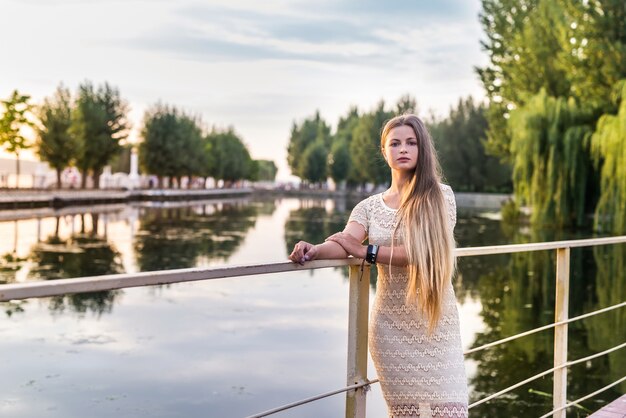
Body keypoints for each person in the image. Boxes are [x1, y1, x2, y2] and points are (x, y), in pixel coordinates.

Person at [289, 114, 468, 417]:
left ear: (422, 149)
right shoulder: (370, 206)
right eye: (394, 143)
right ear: (384, 151)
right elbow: (345, 241)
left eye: (411, 142)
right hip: (390, 330)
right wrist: (314, 249)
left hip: (436, 323)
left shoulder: (440, 196)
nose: (403, 149)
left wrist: (367, 251)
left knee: (451, 410)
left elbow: (422, 252)